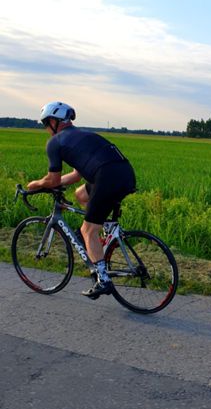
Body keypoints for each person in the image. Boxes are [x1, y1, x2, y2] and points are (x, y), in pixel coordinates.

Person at [27, 101, 136, 299]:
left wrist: (36, 184)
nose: (45, 128)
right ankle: (103, 237)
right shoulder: (83, 135)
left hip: (106, 177)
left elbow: (53, 180)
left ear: (53, 121)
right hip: (125, 173)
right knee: (80, 194)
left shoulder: (55, 142)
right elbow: (76, 176)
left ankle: (103, 279)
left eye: (45, 123)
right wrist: (51, 184)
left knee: (87, 230)